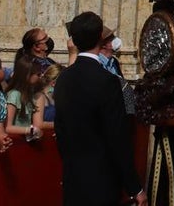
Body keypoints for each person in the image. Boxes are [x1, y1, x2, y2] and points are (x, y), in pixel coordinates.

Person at [54, 11, 145, 206]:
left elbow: (59, 128)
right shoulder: (107, 81)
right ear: (99, 38)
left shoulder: (63, 78)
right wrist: (134, 186)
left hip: (73, 177)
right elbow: (117, 136)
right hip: (102, 178)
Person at [5, 54, 44, 139]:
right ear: (28, 75)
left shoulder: (30, 96)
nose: (41, 76)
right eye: (38, 74)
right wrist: (29, 130)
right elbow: (7, 127)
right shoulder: (14, 95)